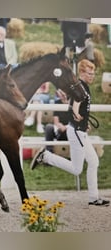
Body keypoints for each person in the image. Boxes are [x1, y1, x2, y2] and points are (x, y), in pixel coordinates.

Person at [30, 59, 110, 207]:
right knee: (77, 169)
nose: (92, 76)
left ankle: (94, 197)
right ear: (81, 73)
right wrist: (76, 115)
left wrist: (83, 122)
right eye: (89, 73)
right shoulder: (80, 87)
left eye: (93, 73)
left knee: (93, 162)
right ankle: (46, 156)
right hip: (77, 132)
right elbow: (76, 105)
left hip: (80, 131)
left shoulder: (81, 86)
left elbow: (75, 104)